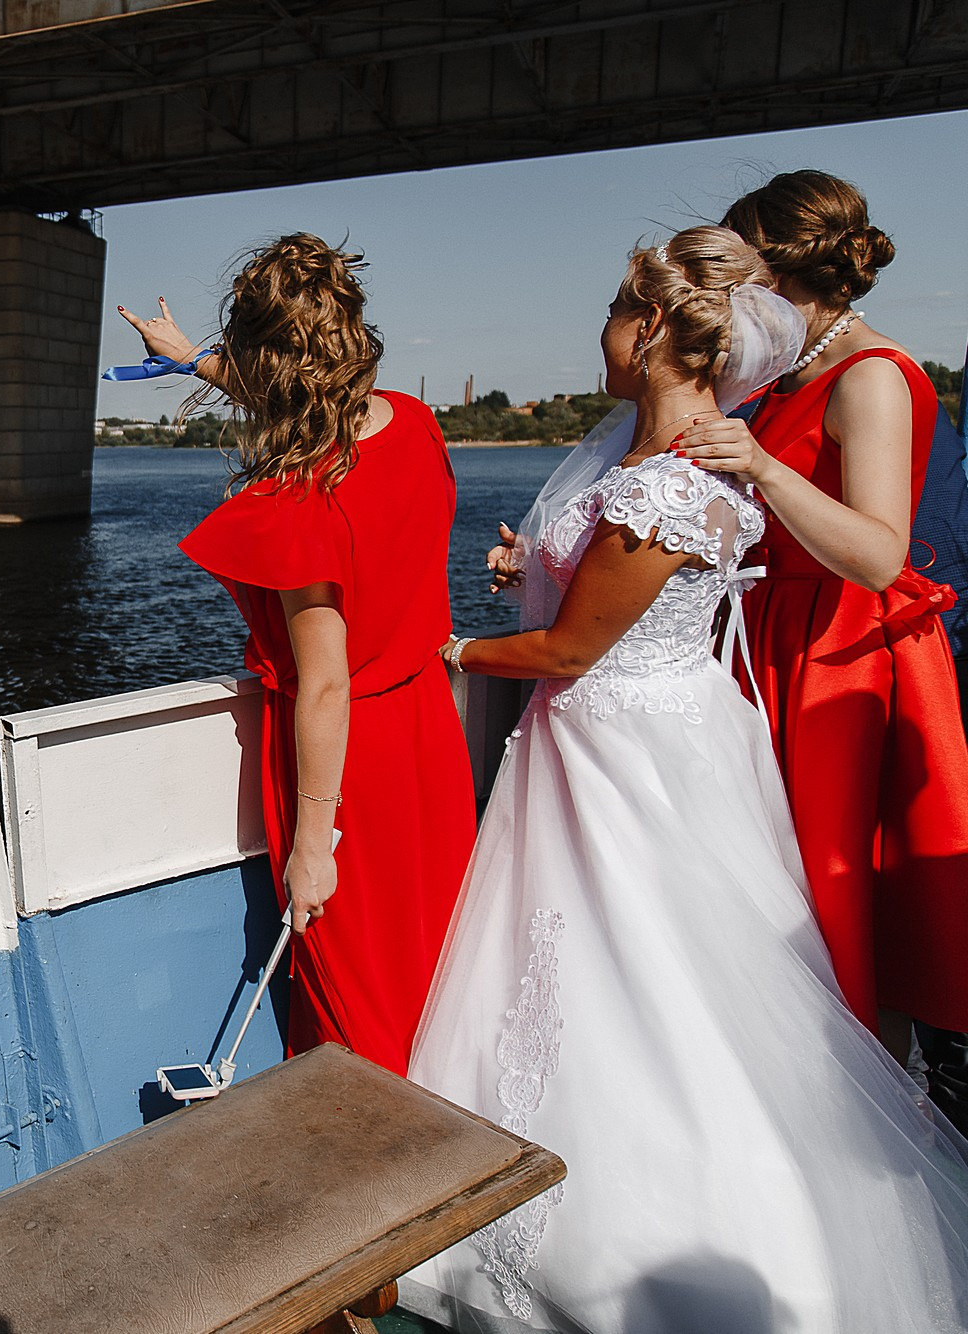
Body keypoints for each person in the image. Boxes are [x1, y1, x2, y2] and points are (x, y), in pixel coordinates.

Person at [405, 226, 968, 1333]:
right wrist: (539, 564)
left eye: (614, 314)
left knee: (640, 972)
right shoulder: (660, 465)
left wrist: (454, 655)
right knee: (639, 966)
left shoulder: (663, 485)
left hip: (616, 746)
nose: (601, 335)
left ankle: (661, 1243)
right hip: (657, 732)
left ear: (652, 327)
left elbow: (570, 653)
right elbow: (619, 595)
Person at [128, 233, 475, 1077]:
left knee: (361, 997)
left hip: (349, 761)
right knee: (436, 968)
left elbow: (323, 686)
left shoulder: (302, 496)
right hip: (429, 731)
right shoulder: (416, 423)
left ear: (261, 350)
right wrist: (191, 362)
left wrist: (315, 842)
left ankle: (388, 1168)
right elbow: (305, 403)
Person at [667, 171, 968, 1051]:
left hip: (838, 654)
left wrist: (760, 467)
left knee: (835, 903)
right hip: (773, 636)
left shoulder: (873, 376)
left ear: (775, 269)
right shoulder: (795, 373)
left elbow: (879, 553)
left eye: (733, 274)